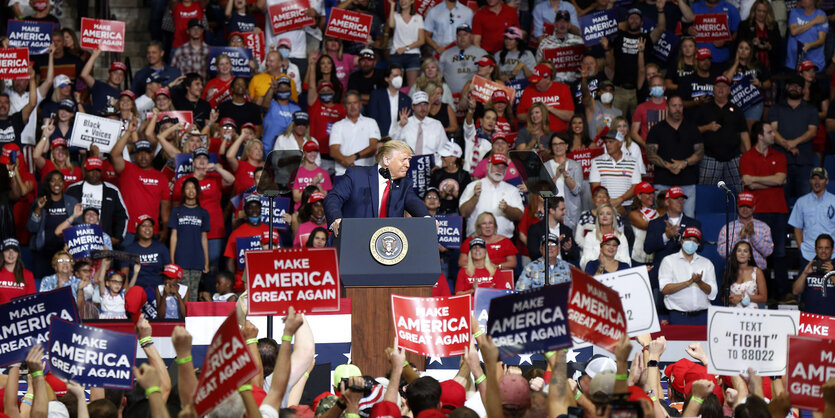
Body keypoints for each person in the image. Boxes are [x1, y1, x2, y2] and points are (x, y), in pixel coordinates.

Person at [324, 140, 430, 233]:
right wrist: (336, 220)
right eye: (403, 160)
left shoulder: (404, 184)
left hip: (386, 247)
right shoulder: (357, 175)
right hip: (353, 238)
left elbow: (414, 202)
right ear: (386, 160)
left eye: (409, 160)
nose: (408, 165)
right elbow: (333, 198)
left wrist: (427, 218)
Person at [172, 147, 235, 271]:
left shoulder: (215, 178)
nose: (201, 161)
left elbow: (231, 180)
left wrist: (217, 168)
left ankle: (210, 290)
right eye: (198, 158)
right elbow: (176, 206)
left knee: (212, 263)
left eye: (205, 158)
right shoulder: (183, 181)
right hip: (190, 229)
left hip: (214, 228)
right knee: (190, 264)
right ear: (193, 162)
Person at [645, 95, 703, 218]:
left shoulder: (692, 128)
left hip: (687, 183)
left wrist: (684, 163)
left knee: (688, 218)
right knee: (662, 219)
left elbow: (700, 153)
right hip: (663, 182)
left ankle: (687, 238)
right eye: (674, 106)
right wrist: (669, 166)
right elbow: (650, 154)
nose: (677, 109)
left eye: (680, 106)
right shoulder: (657, 129)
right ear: (667, 107)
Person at [770, 75, 819, 205]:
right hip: (781, 162)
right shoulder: (775, 108)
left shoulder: (811, 110)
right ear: (786, 87)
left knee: (806, 204)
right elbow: (773, 131)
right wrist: (788, 146)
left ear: (803, 90)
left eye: (798, 86)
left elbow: (812, 132)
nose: (794, 88)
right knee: (781, 203)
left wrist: (794, 142)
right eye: (791, 85)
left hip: (804, 162)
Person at [696, 75, 750, 193]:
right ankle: (704, 211)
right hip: (710, 157)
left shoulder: (736, 110)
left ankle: (739, 211)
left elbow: (744, 134)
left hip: (734, 157)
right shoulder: (703, 109)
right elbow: (693, 131)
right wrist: (707, 127)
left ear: (729, 90)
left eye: (724, 86)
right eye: (718, 86)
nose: (721, 89)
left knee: (740, 191)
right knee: (705, 192)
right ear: (713, 89)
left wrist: (749, 156)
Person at [644, 186, 702, 290]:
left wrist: (681, 237)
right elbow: (647, 248)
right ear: (667, 202)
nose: (680, 202)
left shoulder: (694, 224)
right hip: (661, 274)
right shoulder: (655, 223)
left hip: (686, 274)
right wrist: (666, 236)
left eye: (682, 199)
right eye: (676, 199)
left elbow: (701, 247)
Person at [658, 226, 717, 325]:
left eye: (695, 241)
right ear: (682, 241)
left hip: (703, 317)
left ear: (698, 244)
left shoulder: (707, 263)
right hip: (678, 317)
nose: (691, 243)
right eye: (688, 240)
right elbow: (664, 289)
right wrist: (689, 282)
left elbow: (713, 293)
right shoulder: (669, 261)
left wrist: (699, 282)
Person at [65, 157, 129, 245]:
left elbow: (122, 216)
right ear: (85, 171)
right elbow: (64, 214)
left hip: (103, 241)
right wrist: (66, 235)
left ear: (102, 171)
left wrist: (118, 238)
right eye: (91, 170)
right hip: (77, 240)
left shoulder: (112, 190)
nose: (94, 173)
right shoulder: (73, 189)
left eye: (97, 170)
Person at [27, 171, 78, 279]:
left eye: (60, 180)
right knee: (42, 286)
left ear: (64, 184)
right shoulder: (40, 201)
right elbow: (32, 228)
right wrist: (39, 209)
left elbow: (78, 227)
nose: (57, 184)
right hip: (43, 252)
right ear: (48, 183)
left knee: (64, 285)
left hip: (65, 252)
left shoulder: (72, 202)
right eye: (53, 180)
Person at [459, 153, 523, 238]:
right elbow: (463, 213)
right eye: (496, 166)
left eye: (503, 167)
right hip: (477, 240)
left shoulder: (512, 190)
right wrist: (475, 197)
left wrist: (507, 209)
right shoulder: (472, 186)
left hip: (504, 241)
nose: (499, 170)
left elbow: (519, 215)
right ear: (487, 166)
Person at [169, 177, 210, 300]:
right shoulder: (176, 211)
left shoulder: (203, 213)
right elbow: (173, 236)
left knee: (194, 292)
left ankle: (191, 318)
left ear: (198, 191)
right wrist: (172, 260)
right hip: (181, 257)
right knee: (182, 292)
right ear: (183, 191)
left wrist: (206, 261)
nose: (191, 190)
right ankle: (183, 318)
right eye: (187, 188)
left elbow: (204, 238)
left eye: (193, 187)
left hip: (197, 258)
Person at [789, 167, 835, 267]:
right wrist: (801, 247)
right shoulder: (801, 202)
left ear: (827, 181)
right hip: (808, 253)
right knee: (805, 282)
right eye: (814, 178)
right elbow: (797, 227)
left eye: (821, 178)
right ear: (810, 180)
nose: (817, 182)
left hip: (832, 253)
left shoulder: (834, 201)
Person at [589, 132, 642, 216]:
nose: (607, 145)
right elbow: (595, 187)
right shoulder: (596, 161)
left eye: (611, 142)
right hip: (604, 206)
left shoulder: (632, 161)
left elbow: (636, 186)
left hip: (627, 206)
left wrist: (620, 200)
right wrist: (608, 202)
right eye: (606, 142)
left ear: (620, 143)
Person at [329, 91, 381, 176]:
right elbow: (334, 151)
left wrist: (355, 156)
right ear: (344, 106)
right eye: (349, 103)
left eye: (355, 102)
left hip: (366, 173)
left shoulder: (371, 122)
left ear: (360, 104)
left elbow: (373, 147)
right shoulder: (337, 126)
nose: (352, 106)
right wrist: (351, 165)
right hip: (343, 174)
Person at [717, 191, 774, 268]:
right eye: (742, 206)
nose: (745, 209)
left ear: (754, 207)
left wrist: (753, 235)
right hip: (734, 272)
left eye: (748, 206)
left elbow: (768, 252)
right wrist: (739, 238)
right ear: (737, 206)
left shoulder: (764, 227)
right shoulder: (727, 228)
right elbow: (722, 253)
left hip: (758, 272)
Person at [389, 91, 446, 165]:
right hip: (407, 166)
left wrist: (439, 165)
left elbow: (444, 148)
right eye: (419, 105)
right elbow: (392, 144)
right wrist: (400, 126)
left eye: (425, 105)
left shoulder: (437, 124)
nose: (423, 108)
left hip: (431, 167)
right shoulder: (404, 123)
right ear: (413, 106)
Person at [517, 64, 574, 133]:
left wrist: (550, 109)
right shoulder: (528, 90)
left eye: (538, 81)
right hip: (534, 135)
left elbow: (570, 116)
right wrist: (535, 114)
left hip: (558, 135)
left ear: (548, 79)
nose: (535, 84)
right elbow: (519, 117)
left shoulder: (563, 88)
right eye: (534, 81)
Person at [526, 196, 579, 264]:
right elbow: (533, 254)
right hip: (543, 270)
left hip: (563, 270)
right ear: (552, 211)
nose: (564, 212)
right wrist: (551, 245)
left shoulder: (566, 230)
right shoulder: (535, 229)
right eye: (562, 209)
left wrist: (568, 250)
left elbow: (576, 256)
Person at [792, 233, 835, 315]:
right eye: (820, 248)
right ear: (815, 250)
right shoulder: (808, 267)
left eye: (827, 248)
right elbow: (795, 291)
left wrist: (831, 274)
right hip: (810, 319)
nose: (823, 251)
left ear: (832, 250)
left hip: (832, 319)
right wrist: (804, 273)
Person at [536, 11, 583, 83]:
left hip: (575, 82)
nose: (562, 24)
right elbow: (538, 66)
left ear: (569, 24)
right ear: (555, 24)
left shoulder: (579, 41)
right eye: (559, 21)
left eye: (565, 22)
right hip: (554, 83)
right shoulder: (544, 43)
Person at [439, 25, 488, 94]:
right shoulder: (446, 54)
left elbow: (488, 75)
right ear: (456, 37)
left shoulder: (481, 53)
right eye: (459, 35)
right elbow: (439, 76)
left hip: (474, 94)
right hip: (451, 96)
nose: (462, 37)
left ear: (470, 36)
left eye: (465, 34)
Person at [580, 204, 631, 270]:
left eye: (608, 214)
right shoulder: (590, 236)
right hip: (595, 272)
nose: (604, 216)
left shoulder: (621, 237)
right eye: (601, 214)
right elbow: (585, 261)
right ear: (598, 217)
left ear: (613, 217)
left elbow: (626, 261)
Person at [365, 65, 412, 138]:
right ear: (387, 79)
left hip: (400, 139)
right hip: (380, 138)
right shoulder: (376, 96)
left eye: (400, 76)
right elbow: (372, 119)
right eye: (395, 76)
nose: (399, 78)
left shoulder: (407, 99)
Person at [79, 50, 127, 115]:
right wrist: (94, 55)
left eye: (121, 74)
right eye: (115, 73)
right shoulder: (99, 86)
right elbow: (84, 74)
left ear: (123, 78)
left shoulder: (123, 95)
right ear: (108, 74)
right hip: (96, 123)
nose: (118, 76)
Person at [261, 76, 301, 153]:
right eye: (281, 87)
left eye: (286, 88)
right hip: (268, 150)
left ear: (290, 89)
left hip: (288, 151)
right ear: (277, 90)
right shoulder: (271, 104)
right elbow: (265, 106)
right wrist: (272, 88)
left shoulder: (296, 109)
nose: (283, 90)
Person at [785, 0, 828, 71]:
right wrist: (814, 21)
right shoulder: (795, 12)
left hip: (814, 65)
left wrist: (809, 45)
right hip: (793, 63)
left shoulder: (821, 15)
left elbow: (821, 40)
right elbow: (793, 31)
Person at [723, 241, 768, 308]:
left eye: (745, 251)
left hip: (751, 314)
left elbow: (764, 298)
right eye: (739, 251)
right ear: (735, 254)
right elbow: (723, 297)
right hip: (732, 312)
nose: (742, 253)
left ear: (749, 255)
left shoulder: (757, 272)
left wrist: (742, 296)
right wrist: (731, 300)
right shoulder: (729, 271)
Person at [430, 141, 469, 215]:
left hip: (457, 214)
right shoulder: (436, 174)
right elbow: (431, 194)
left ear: (453, 158)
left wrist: (453, 192)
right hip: (438, 213)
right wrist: (444, 193)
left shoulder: (464, 175)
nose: (441, 158)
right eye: (442, 156)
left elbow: (466, 198)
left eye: (444, 156)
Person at [0, 238, 35, 304]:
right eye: (7, 250)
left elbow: (31, 301)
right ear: (2, 253)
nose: (11, 254)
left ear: (18, 254)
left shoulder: (28, 275)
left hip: (21, 312)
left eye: (15, 250)